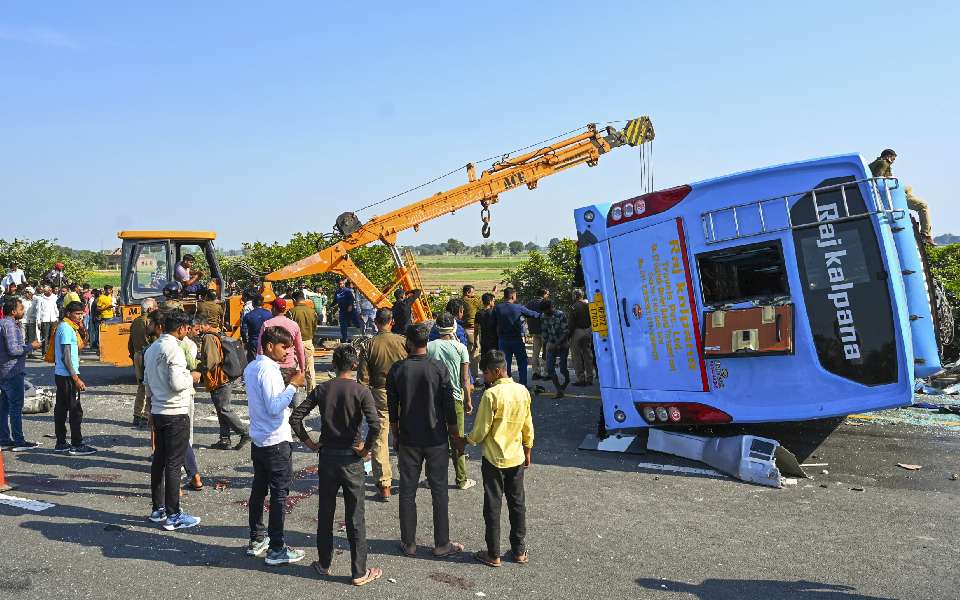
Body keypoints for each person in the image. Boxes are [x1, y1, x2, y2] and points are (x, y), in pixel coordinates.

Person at [290, 345, 383, 585]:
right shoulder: (361, 391)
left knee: (325, 512)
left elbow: (296, 416)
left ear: (333, 365)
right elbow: (375, 425)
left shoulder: (322, 389)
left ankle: (324, 563)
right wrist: (366, 449)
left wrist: (310, 443)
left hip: (328, 456)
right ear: (354, 366)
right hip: (351, 458)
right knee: (355, 516)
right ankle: (358, 571)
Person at [387, 323, 464, 558]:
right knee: (439, 490)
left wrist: (396, 434)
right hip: (436, 437)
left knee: (407, 491)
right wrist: (453, 432)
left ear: (408, 343)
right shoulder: (438, 367)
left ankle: (408, 542)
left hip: (409, 437)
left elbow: (393, 408)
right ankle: (442, 543)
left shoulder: (398, 369)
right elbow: (449, 403)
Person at [457, 349, 534, 567]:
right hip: (516, 457)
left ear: (497, 371)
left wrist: (466, 441)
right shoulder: (522, 391)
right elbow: (528, 425)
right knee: (517, 503)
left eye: (486, 374)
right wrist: (528, 450)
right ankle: (519, 551)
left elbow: (481, 430)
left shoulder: (491, 395)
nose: (484, 378)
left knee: (492, 505)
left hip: (493, 459)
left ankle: (493, 554)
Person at [244, 326, 307, 565]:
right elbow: (274, 407)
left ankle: (257, 538)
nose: (287, 353)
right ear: (270, 346)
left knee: (259, 490)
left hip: (260, 439)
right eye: (284, 347)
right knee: (279, 494)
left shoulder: (252, 367)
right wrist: (293, 385)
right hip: (275, 440)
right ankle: (277, 547)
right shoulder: (268, 370)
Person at [142, 309, 201, 530]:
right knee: (174, 464)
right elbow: (177, 383)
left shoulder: (152, 348)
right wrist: (192, 377)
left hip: (158, 410)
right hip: (175, 411)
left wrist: (149, 410)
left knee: (159, 461)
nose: (188, 332)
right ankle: (174, 514)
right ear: (181, 328)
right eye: (187, 328)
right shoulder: (174, 349)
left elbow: (146, 383)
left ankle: (158, 509)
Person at [356, 308, 408, 501]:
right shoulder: (403, 342)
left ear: (376, 322)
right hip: (404, 392)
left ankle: (384, 484)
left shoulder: (369, 345)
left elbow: (363, 378)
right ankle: (407, 477)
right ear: (392, 321)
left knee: (380, 438)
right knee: (405, 434)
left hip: (380, 393)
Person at [427, 312, 475, 490]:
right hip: (455, 398)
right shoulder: (460, 348)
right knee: (457, 440)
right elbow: (465, 380)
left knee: (433, 440)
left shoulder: (429, 347)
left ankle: (432, 478)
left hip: (433, 399)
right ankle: (461, 479)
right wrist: (468, 400)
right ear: (454, 327)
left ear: (437, 327)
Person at [198, 322, 250, 450]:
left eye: (198, 325)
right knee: (220, 408)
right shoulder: (218, 333)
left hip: (219, 378)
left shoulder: (208, 337)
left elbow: (212, 360)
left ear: (204, 324)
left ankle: (245, 432)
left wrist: (199, 368)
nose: (197, 329)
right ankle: (224, 439)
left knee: (224, 408)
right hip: (226, 375)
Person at [53, 301, 96, 455]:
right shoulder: (66, 328)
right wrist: (76, 378)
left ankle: (61, 443)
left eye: (81, 313)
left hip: (62, 375)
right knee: (75, 410)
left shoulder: (68, 327)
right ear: (68, 313)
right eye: (77, 314)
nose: (80, 316)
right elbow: (66, 357)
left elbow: (72, 351)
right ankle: (76, 444)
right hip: (67, 376)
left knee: (62, 409)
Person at [0, 297, 42, 451]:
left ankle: (4, 438)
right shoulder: (9, 325)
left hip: (5, 372)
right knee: (15, 408)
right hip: (12, 372)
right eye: (21, 309)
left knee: (4, 407)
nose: (23, 311)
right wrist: (31, 346)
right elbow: (14, 350)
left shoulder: (5, 323)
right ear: (13, 311)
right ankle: (19, 441)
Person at [492, 287, 540, 386]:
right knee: (522, 362)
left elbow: (492, 322)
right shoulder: (518, 307)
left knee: (505, 364)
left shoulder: (497, 308)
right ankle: (523, 385)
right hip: (516, 339)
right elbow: (533, 314)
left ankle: (507, 385)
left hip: (503, 340)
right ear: (513, 295)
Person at [255, 299, 305, 384]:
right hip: (289, 365)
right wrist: (302, 367)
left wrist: (259, 365)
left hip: (271, 366)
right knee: (288, 392)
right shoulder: (294, 325)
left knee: (272, 393)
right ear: (285, 309)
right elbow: (299, 348)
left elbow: (260, 348)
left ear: (274, 309)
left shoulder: (267, 324)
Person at [129, 298, 159, 428]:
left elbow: (130, 342)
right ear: (150, 309)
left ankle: (137, 414)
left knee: (141, 385)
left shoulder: (135, 321)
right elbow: (155, 341)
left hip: (137, 355)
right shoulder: (150, 322)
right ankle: (147, 415)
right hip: (148, 355)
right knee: (151, 385)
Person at [287, 291, 318, 391]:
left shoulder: (291, 312)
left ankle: (293, 394)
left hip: (295, 343)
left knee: (293, 369)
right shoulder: (312, 311)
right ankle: (312, 394)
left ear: (294, 300)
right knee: (310, 370)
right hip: (308, 341)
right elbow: (315, 328)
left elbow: (289, 329)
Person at [540, 299, 570, 398]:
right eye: (544, 311)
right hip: (551, 345)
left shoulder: (561, 314)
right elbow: (544, 334)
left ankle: (567, 379)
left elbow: (565, 332)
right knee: (549, 368)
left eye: (547, 310)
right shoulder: (543, 317)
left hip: (563, 345)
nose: (546, 313)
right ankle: (559, 390)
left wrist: (556, 344)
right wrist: (545, 350)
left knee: (562, 368)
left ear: (552, 307)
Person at [568, 289, 595, 386]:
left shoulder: (574, 307)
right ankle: (590, 377)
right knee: (588, 354)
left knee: (577, 356)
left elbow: (571, 324)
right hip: (588, 330)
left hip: (577, 332)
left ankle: (581, 378)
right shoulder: (588, 304)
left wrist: (568, 336)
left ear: (575, 296)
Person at [525, 289, 550, 381]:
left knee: (535, 352)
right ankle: (546, 372)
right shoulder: (545, 302)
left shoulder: (530, 303)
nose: (548, 295)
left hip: (534, 331)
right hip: (544, 331)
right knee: (546, 351)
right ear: (544, 294)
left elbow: (525, 314)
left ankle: (536, 372)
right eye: (547, 294)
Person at [461, 285, 484, 379]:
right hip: (471, 330)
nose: (474, 294)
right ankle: (473, 378)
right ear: (467, 293)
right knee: (474, 354)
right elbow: (484, 304)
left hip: (462, 329)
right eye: (473, 292)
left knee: (465, 353)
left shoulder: (460, 301)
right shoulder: (473, 301)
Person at [241, 293, 271, 363]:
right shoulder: (269, 314)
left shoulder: (248, 315)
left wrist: (245, 342)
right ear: (263, 303)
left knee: (253, 363)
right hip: (266, 343)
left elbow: (243, 330)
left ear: (253, 303)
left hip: (253, 343)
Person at [36, 286, 59, 354]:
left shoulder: (53, 298)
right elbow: (38, 311)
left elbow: (55, 308)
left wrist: (57, 317)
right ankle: (44, 352)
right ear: (45, 292)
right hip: (44, 320)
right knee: (45, 337)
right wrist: (38, 321)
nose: (50, 292)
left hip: (53, 319)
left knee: (53, 337)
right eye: (48, 291)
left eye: (50, 290)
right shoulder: (40, 299)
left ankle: (52, 352)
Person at [476, 293, 498, 359]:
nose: (494, 302)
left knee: (485, 360)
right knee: (494, 360)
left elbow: (476, 328)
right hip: (494, 340)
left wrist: (475, 341)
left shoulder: (479, 313)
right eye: (493, 301)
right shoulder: (494, 312)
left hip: (484, 340)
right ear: (490, 302)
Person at [21, 287, 38, 359]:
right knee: (23, 337)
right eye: (26, 292)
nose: (27, 294)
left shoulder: (36, 300)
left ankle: (30, 353)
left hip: (32, 320)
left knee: (31, 338)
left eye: (29, 292)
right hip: (23, 320)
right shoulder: (21, 300)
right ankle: (22, 352)